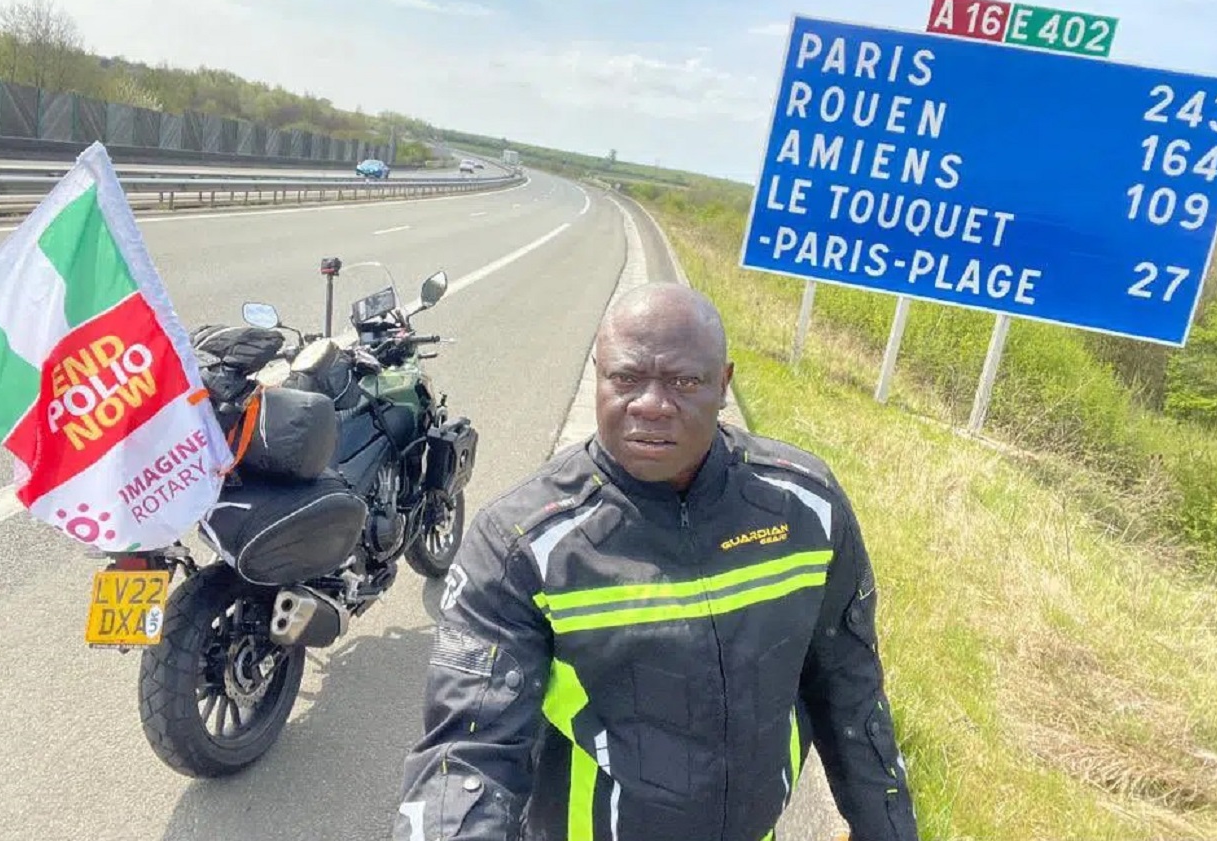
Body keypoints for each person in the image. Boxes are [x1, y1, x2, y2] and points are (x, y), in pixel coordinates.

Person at [392, 281, 919, 841]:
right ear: (599, 376)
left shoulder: (807, 508)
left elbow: (850, 691)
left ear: (724, 384)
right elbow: (467, 754)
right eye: (625, 378)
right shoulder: (519, 544)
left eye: (683, 382)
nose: (649, 404)